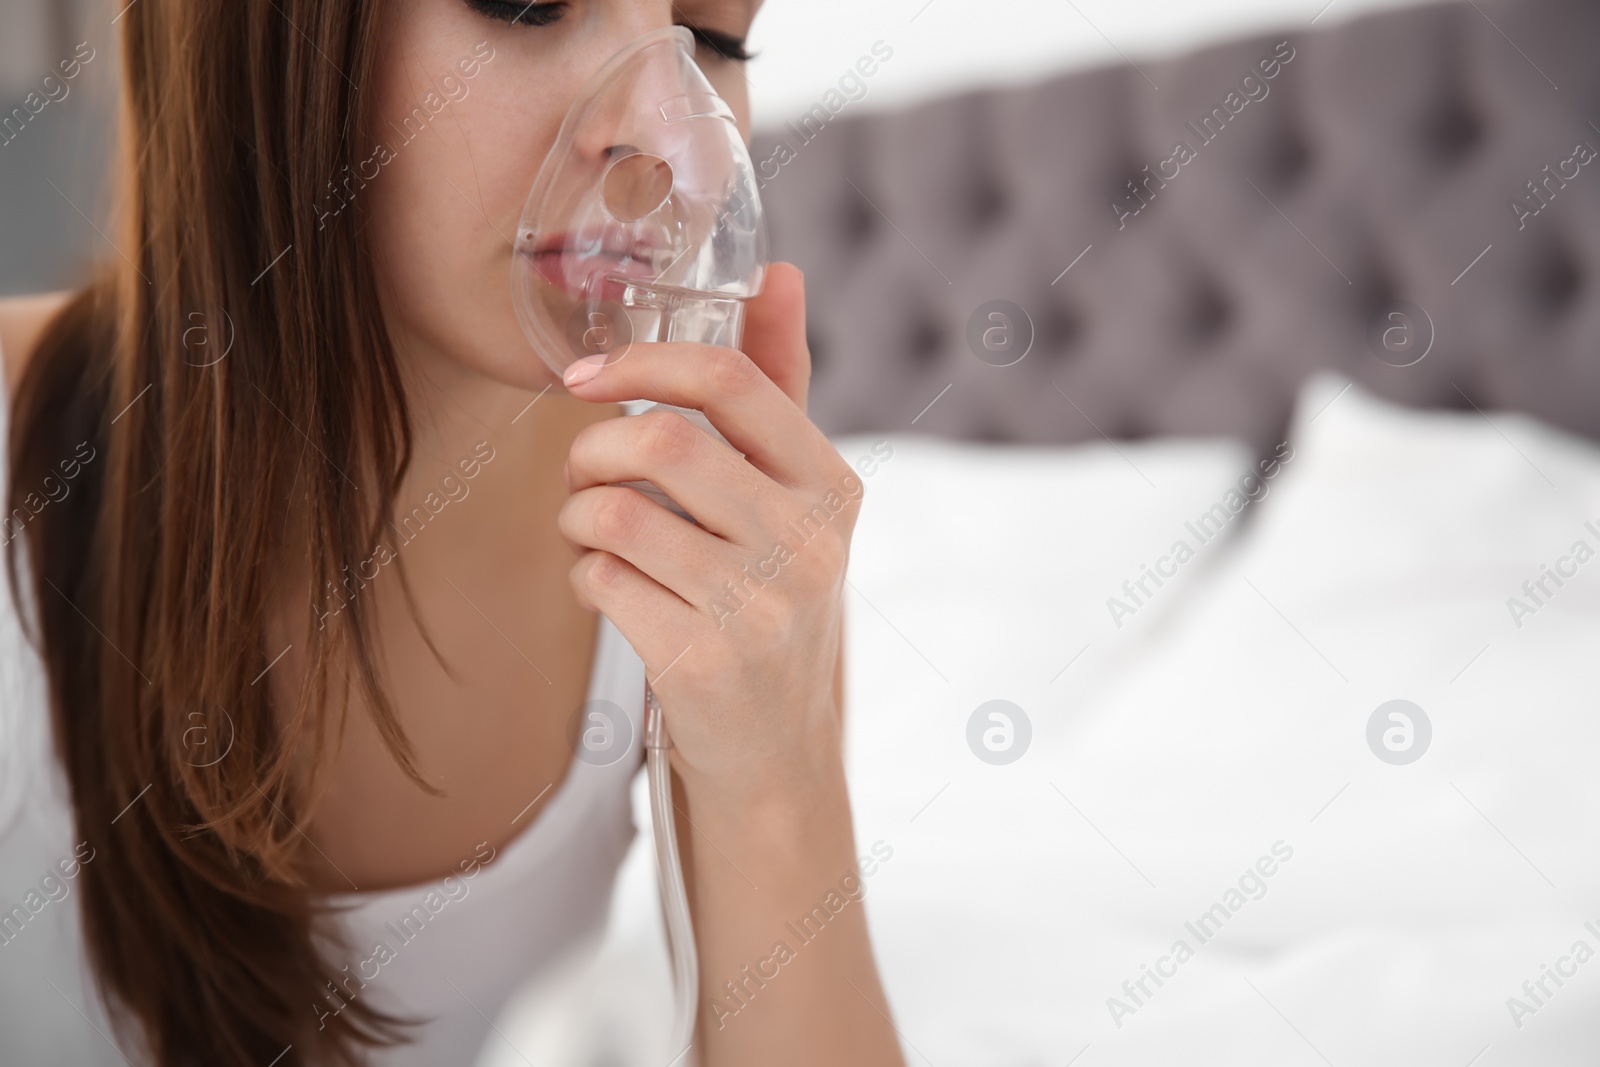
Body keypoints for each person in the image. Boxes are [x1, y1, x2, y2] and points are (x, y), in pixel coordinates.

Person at [0, 1, 904, 1064]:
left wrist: (776, 757)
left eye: (715, 36)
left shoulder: (682, 525)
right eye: (528, 4)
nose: (676, 139)